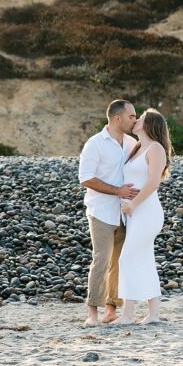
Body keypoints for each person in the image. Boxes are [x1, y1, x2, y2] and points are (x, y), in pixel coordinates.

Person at [78, 100, 139, 326]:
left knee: (119, 262)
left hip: (124, 213)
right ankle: (92, 313)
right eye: (132, 116)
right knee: (101, 260)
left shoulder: (132, 143)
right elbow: (86, 178)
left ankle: (111, 309)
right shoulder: (95, 144)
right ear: (117, 118)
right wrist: (117, 191)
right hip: (101, 211)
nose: (135, 120)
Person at [117, 108, 171, 325]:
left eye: (141, 118)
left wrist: (133, 204)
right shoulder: (138, 147)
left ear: (150, 125)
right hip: (134, 213)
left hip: (147, 211)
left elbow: (153, 183)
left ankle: (128, 315)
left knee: (127, 258)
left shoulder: (156, 148)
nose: (136, 120)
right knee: (145, 260)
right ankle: (153, 314)